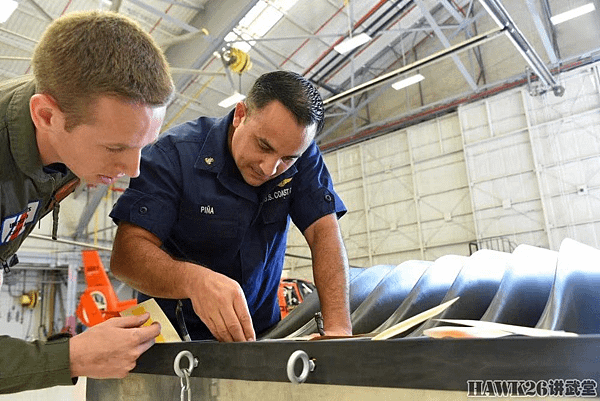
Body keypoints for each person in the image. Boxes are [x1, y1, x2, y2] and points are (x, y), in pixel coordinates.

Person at [0, 10, 174, 394]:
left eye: (142, 147)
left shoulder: (69, 123)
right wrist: (73, 356)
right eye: (115, 148)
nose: (133, 170)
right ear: (45, 115)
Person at [109, 70, 352, 342]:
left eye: (286, 159)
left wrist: (338, 330)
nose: (269, 168)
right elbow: (125, 256)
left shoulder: (301, 155)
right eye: (263, 145)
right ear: (240, 115)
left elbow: (324, 233)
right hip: (174, 338)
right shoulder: (174, 155)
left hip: (259, 336)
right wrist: (193, 281)